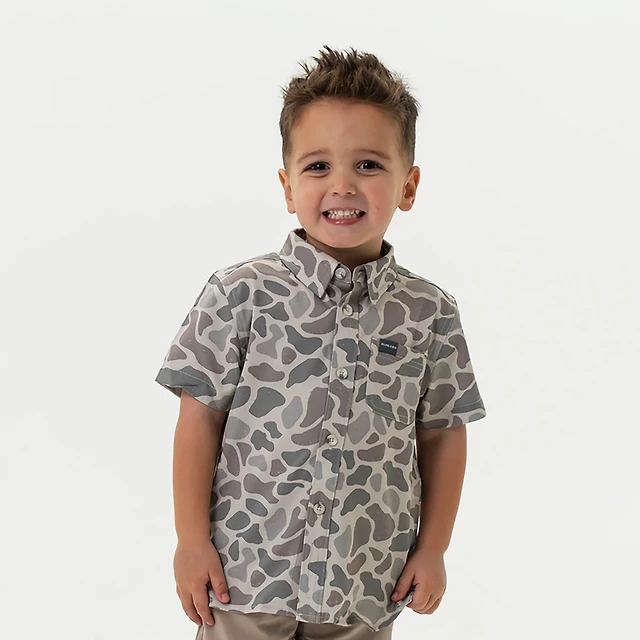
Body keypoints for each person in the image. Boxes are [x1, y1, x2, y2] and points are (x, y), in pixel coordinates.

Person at [155, 45, 487, 640]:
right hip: (244, 574)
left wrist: (434, 548)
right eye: (317, 167)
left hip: (366, 580)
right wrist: (190, 541)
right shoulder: (240, 294)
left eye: (368, 165)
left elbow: (443, 434)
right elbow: (199, 418)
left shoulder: (430, 314)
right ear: (287, 187)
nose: (343, 185)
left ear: (408, 185)